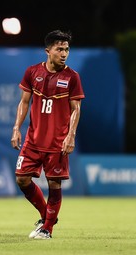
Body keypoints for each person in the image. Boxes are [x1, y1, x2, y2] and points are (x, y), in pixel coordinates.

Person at [11, 30, 85, 239]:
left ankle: (48, 229)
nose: (64, 53)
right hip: (33, 141)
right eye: (59, 49)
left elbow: (76, 109)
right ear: (48, 51)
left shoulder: (72, 77)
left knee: (54, 184)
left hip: (57, 142)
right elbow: (24, 102)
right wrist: (17, 127)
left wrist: (70, 136)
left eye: (67, 49)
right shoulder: (33, 72)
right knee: (22, 180)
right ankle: (47, 216)